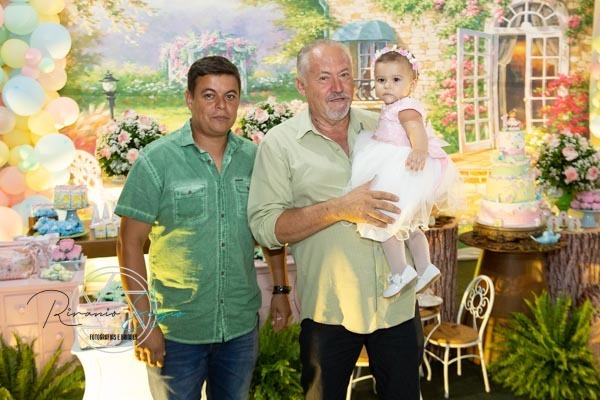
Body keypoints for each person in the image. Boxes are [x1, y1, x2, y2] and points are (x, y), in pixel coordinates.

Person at [248, 39, 423, 399]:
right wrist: (339, 208)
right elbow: (265, 227)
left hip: (397, 307)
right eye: (324, 77)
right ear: (301, 86)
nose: (338, 87)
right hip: (329, 310)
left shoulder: (384, 128)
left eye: (345, 75)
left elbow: (420, 183)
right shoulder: (280, 144)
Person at [116, 55, 282, 400]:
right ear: (189, 99)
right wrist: (144, 322)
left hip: (239, 329)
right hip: (177, 332)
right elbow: (128, 244)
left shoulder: (255, 160)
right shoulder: (156, 160)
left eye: (230, 96)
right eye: (209, 95)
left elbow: (270, 228)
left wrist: (281, 289)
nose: (221, 105)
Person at [350, 46, 461, 298]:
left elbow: (416, 130)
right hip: (396, 165)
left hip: (398, 167)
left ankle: (400, 271)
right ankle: (425, 267)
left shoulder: (406, 108)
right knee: (409, 226)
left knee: (383, 221)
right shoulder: (396, 105)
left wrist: (419, 150)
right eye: (381, 80)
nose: (387, 86)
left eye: (396, 80)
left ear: (412, 83)